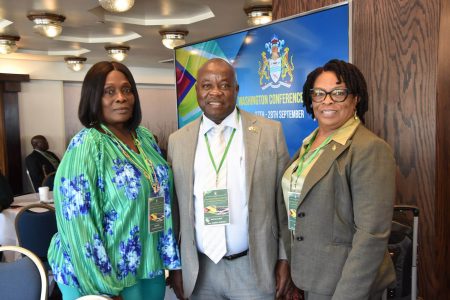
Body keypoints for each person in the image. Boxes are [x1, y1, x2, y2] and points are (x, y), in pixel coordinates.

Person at [47, 61, 181, 300]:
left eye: (127, 90)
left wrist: (169, 259)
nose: (121, 97)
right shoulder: (88, 144)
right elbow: (77, 222)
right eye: (109, 91)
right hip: (103, 274)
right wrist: (102, 289)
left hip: (148, 262)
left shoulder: (144, 138)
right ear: (93, 97)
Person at [167, 58, 291, 299]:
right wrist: (175, 266)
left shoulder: (269, 132)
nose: (215, 92)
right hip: (200, 271)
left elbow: (283, 204)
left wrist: (284, 258)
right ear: (196, 91)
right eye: (206, 85)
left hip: (253, 268)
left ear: (236, 90)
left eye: (224, 85)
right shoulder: (178, 140)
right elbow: (174, 209)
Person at [281, 59, 396, 299]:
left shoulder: (369, 148)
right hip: (310, 277)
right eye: (319, 93)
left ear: (356, 99)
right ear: (310, 100)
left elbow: (371, 235)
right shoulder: (309, 144)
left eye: (338, 93)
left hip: (343, 284)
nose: (328, 101)